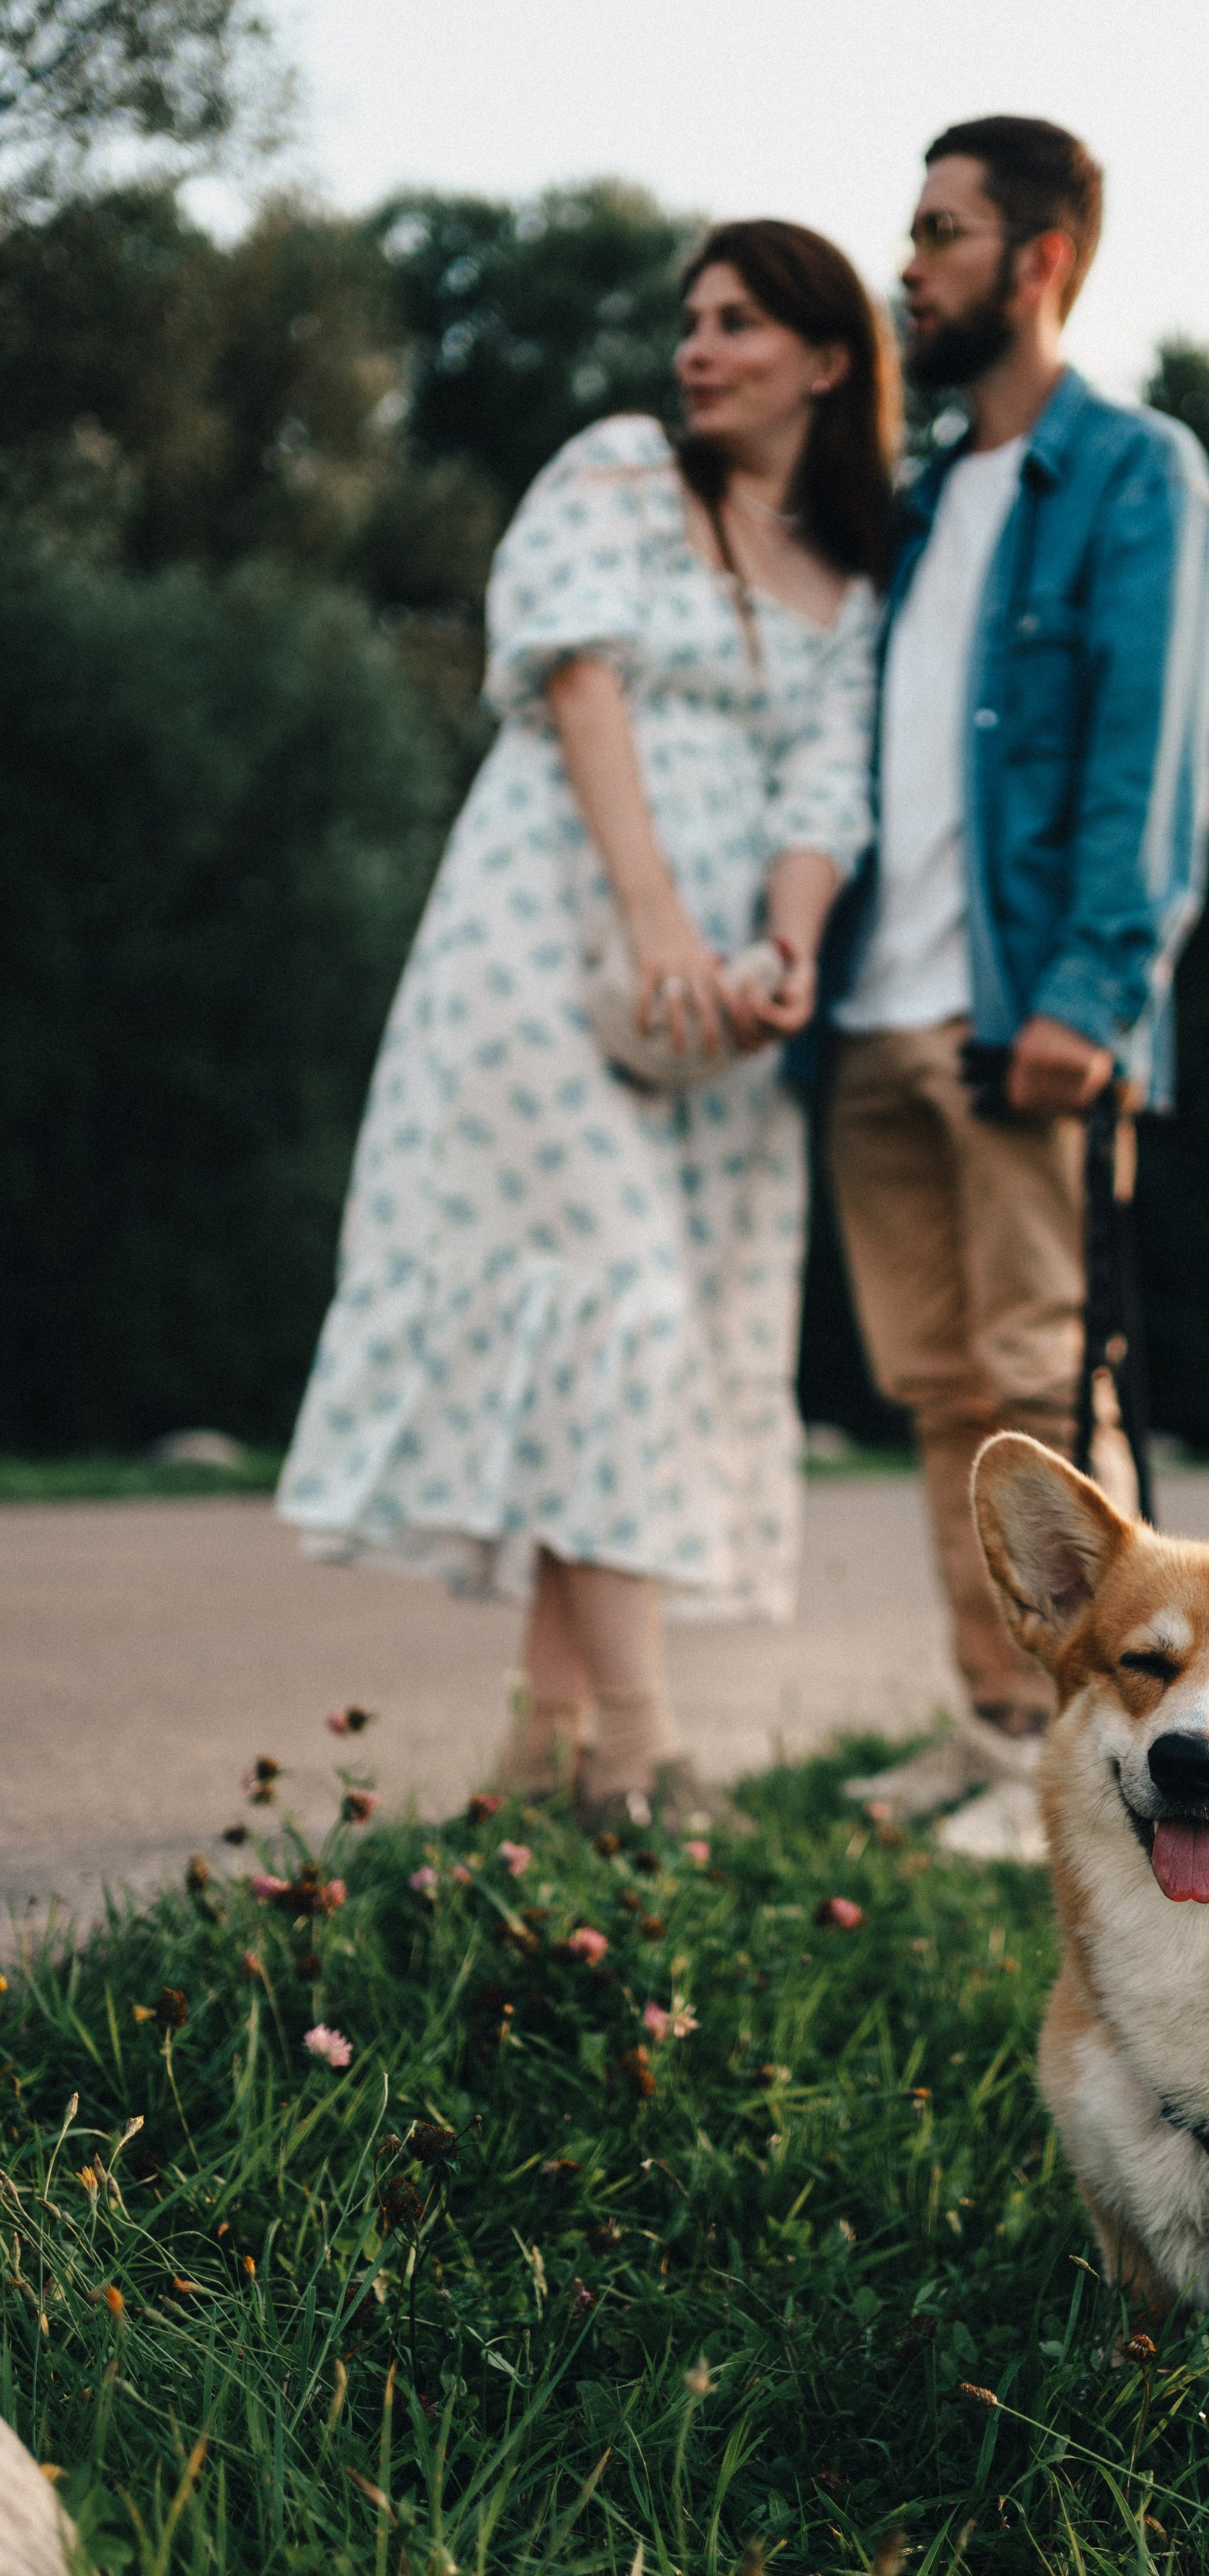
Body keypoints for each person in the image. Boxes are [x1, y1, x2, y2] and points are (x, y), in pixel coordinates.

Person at [279, 222, 893, 1827]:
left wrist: (784, 950)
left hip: (715, 1011)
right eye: (690, 319)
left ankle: (537, 1758)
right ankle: (642, 1747)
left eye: (740, 322)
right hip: (551, 926)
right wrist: (655, 920)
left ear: (826, 362)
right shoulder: (621, 470)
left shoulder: (847, 578)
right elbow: (576, 682)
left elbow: (828, 788)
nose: (697, 347)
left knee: (637, 1336)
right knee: (606, 1294)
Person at [820, 117, 1209, 1738]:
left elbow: (1150, 760)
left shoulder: (1133, 476)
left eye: (939, 235)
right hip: (875, 1014)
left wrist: (1090, 992)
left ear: (1036, 259)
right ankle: (999, 1735)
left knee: (1048, 1395)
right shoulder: (916, 509)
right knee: (939, 1400)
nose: (906, 269)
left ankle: (1119, 1755)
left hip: (1019, 1018)